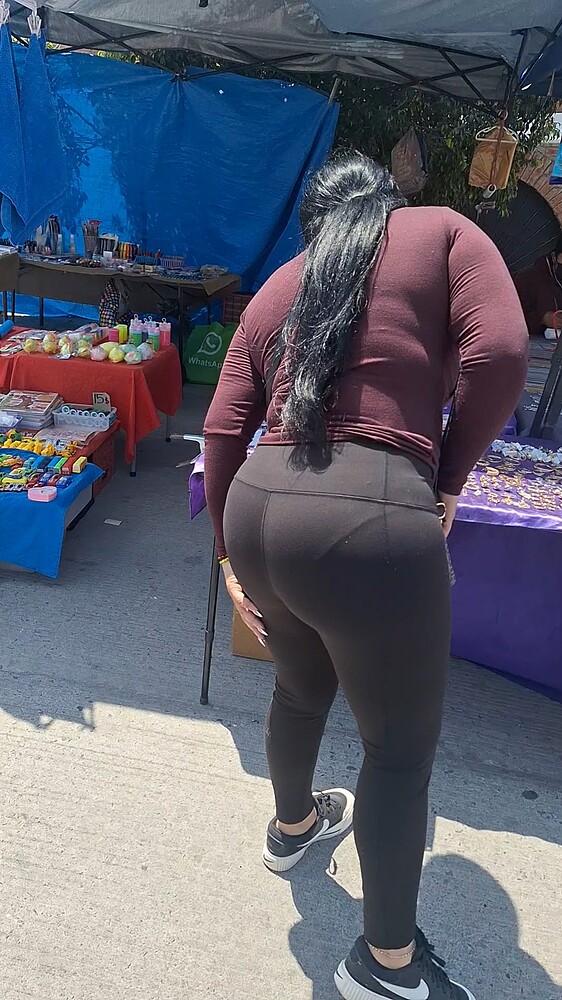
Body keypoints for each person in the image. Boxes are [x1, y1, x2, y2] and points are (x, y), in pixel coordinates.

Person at [203, 153, 528, 1000]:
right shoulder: (443, 232)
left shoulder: (282, 285)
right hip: (370, 515)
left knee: (298, 687)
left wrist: (229, 555)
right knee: (396, 752)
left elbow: (223, 429)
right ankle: (386, 967)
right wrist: (448, 477)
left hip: (262, 509)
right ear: (389, 202)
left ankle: (292, 827)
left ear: (315, 225)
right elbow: (501, 353)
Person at [513, 235, 562, 337]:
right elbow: (510, 319)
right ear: (555, 257)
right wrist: (542, 318)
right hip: (536, 343)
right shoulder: (529, 278)